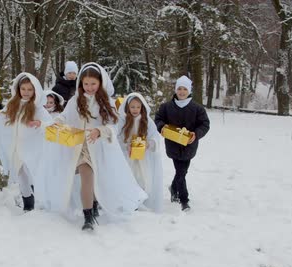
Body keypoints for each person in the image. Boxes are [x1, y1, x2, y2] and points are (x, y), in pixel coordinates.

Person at [38, 63, 147, 231]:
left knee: (95, 178)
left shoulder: (106, 102)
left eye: (93, 84)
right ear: (81, 83)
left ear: (100, 83)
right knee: (86, 176)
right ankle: (88, 216)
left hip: (98, 146)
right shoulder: (75, 100)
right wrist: (56, 123)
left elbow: (114, 126)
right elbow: (65, 116)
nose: (89, 88)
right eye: (86, 84)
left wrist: (100, 130)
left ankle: (94, 204)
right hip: (79, 146)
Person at [0, 73, 53, 211]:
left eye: (30, 89)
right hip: (16, 149)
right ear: (18, 89)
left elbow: (50, 124)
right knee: (21, 174)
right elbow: (1, 118)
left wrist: (39, 123)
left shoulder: (38, 108)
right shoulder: (12, 105)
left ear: (35, 90)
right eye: (23, 89)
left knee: (33, 173)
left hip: (32, 148)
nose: (26, 92)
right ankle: (28, 204)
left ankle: (41, 197)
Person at [154, 75, 210, 211]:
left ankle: (174, 188)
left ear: (189, 90)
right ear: (175, 90)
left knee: (182, 172)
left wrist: (196, 134)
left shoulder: (197, 108)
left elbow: (205, 124)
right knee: (180, 171)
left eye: (185, 89)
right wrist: (162, 127)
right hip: (173, 145)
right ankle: (184, 199)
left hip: (189, 146)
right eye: (179, 88)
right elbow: (158, 119)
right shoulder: (166, 107)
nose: (182, 92)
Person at [117, 93, 164, 212]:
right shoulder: (122, 121)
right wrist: (125, 145)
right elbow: (117, 137)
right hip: (128, 156)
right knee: (129, 177)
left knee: (142, 178)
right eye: (132, 107)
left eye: (138, 107)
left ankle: (140, 201)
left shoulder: (147, 121)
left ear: (142, 107)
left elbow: (155, 137)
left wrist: (149, 143)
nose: (135, 110)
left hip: (143, 157)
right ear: (128, 107)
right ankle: (129, 201)